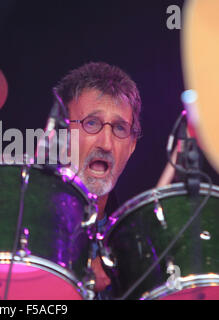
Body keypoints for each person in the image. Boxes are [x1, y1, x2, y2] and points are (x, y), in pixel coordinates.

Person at [54, 61, 142, 293]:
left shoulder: (136, 249)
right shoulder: (23, 226)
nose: (105, 144)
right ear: (62, 134)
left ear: (132, 146)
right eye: (91, 123)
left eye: (120, 128)